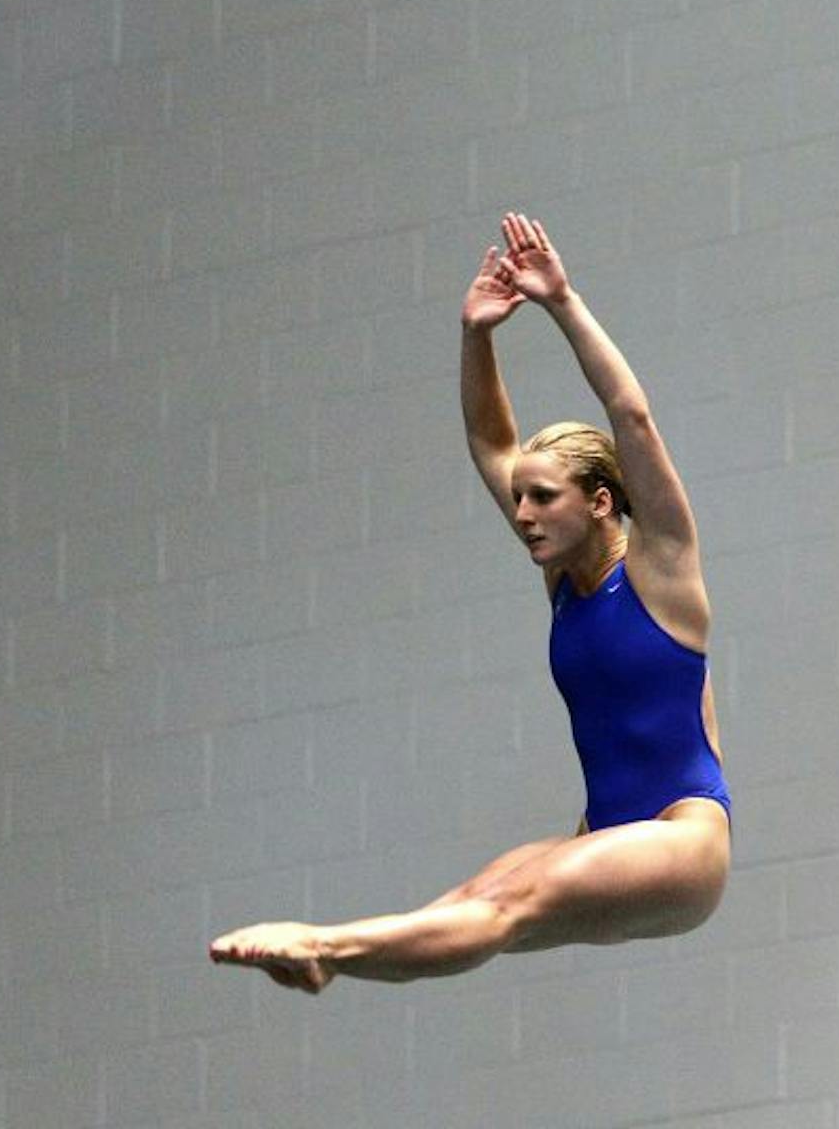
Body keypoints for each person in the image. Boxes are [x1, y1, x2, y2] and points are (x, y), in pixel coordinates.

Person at [210, 213, 731, 991]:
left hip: (679, 838)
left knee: (505, 903)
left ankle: (322, 943)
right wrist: (475, 334)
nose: (521, 514)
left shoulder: (663, 572)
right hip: (605, 836)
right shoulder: (561, 580)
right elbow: (494, 443)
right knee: (474, 901)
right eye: (520, 500)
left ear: (598, 501)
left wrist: (561, 301)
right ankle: (328, 966)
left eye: (542, 498)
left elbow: (633, 417)